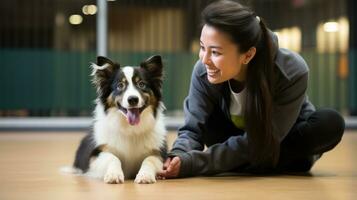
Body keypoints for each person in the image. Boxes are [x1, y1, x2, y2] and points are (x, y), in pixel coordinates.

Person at [159, 0, 345, 178]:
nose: (204, 59)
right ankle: (255, 164)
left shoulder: (291, 70)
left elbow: (266, 140)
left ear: (248, 54)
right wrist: (178, 156)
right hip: (237, 141)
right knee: (207, 123)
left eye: (215, 52)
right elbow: (192, 129)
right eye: (202, 47)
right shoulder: (203, 71)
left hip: (280, 142)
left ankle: (246, 162)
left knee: (330, 122)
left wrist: (195, 163)